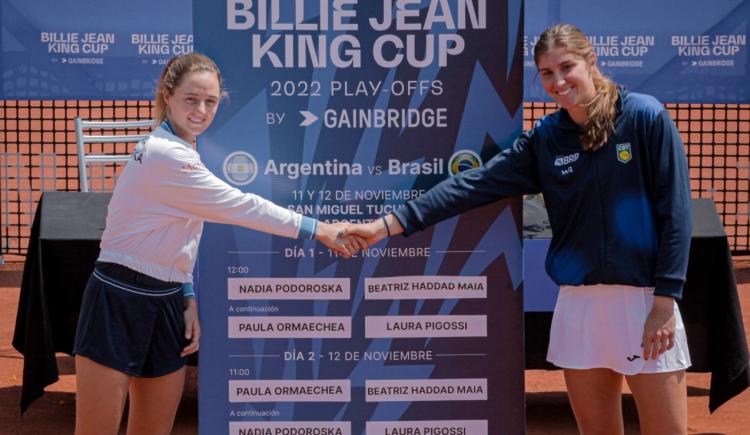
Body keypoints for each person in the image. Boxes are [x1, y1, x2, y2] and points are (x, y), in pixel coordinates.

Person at [345, 24, 692, 435]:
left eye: (567, 67)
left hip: (645, 303)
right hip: (579, 309)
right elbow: (471, 185)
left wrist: (664, 302)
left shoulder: (644, 116)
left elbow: (675, 212)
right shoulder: (547, 139)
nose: (559, 82)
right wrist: (386, 226)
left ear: (591, 61)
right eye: (547, 73)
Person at [72, 52, 364, 435]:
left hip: (166, 302)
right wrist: (320, 229)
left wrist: (186, 294)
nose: (201, 110)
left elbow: (184, 233)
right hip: (117, 297)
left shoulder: (182, 147)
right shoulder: (165, 154)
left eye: (210, 101)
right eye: (191, 99)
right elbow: (242, 206)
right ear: (168, 94)